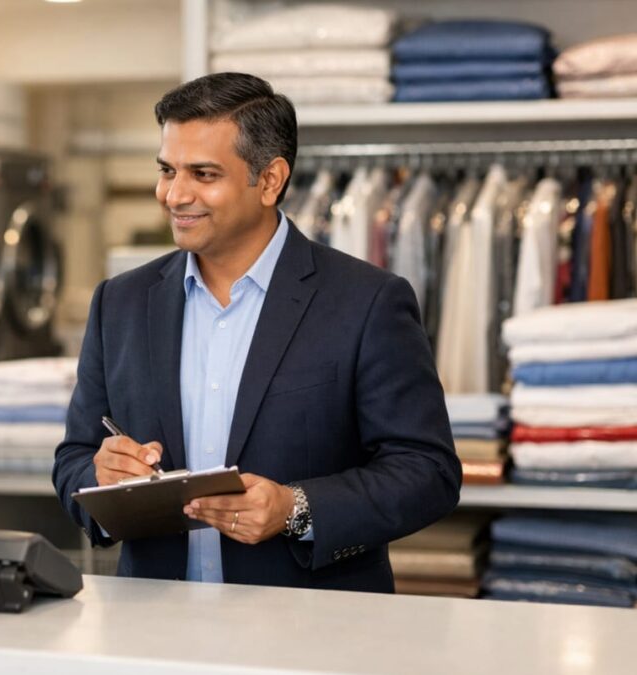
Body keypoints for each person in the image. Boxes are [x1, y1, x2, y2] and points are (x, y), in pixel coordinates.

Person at [53, 73, 461, 590]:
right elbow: (73, 460)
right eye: (166, 170)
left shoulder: (367, 301)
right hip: (156, 628)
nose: (174, 194)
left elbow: (429, 473)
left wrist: (297, 509)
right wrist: (101, 479)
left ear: (270, 180)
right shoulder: (122, 302)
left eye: (203, 174)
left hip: (312, 632)